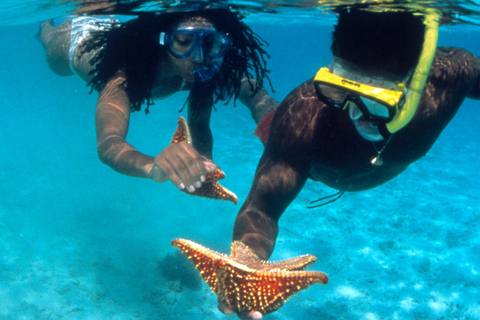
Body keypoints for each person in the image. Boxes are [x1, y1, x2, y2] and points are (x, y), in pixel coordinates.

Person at [212, 7, 480, 319]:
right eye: (337, 90)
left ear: (414, 86)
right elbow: (262, 208)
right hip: (308, 161)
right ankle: (249, 87)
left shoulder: (452, 77)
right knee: (267, 111)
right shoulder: (304, 115)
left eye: (374, 101)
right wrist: (247, 262)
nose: (351, 113)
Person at [39, 8, 278, 194]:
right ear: (163, 41)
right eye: (184, 41)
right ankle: (44, 25)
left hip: (111, 28)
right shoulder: (124, 74)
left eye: (209, 43)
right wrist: (153, 166)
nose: (199, 57)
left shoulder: (201, 70)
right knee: (50, 44)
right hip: (72, 41)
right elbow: (109, 144)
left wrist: (203, 160)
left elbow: (201, 123)